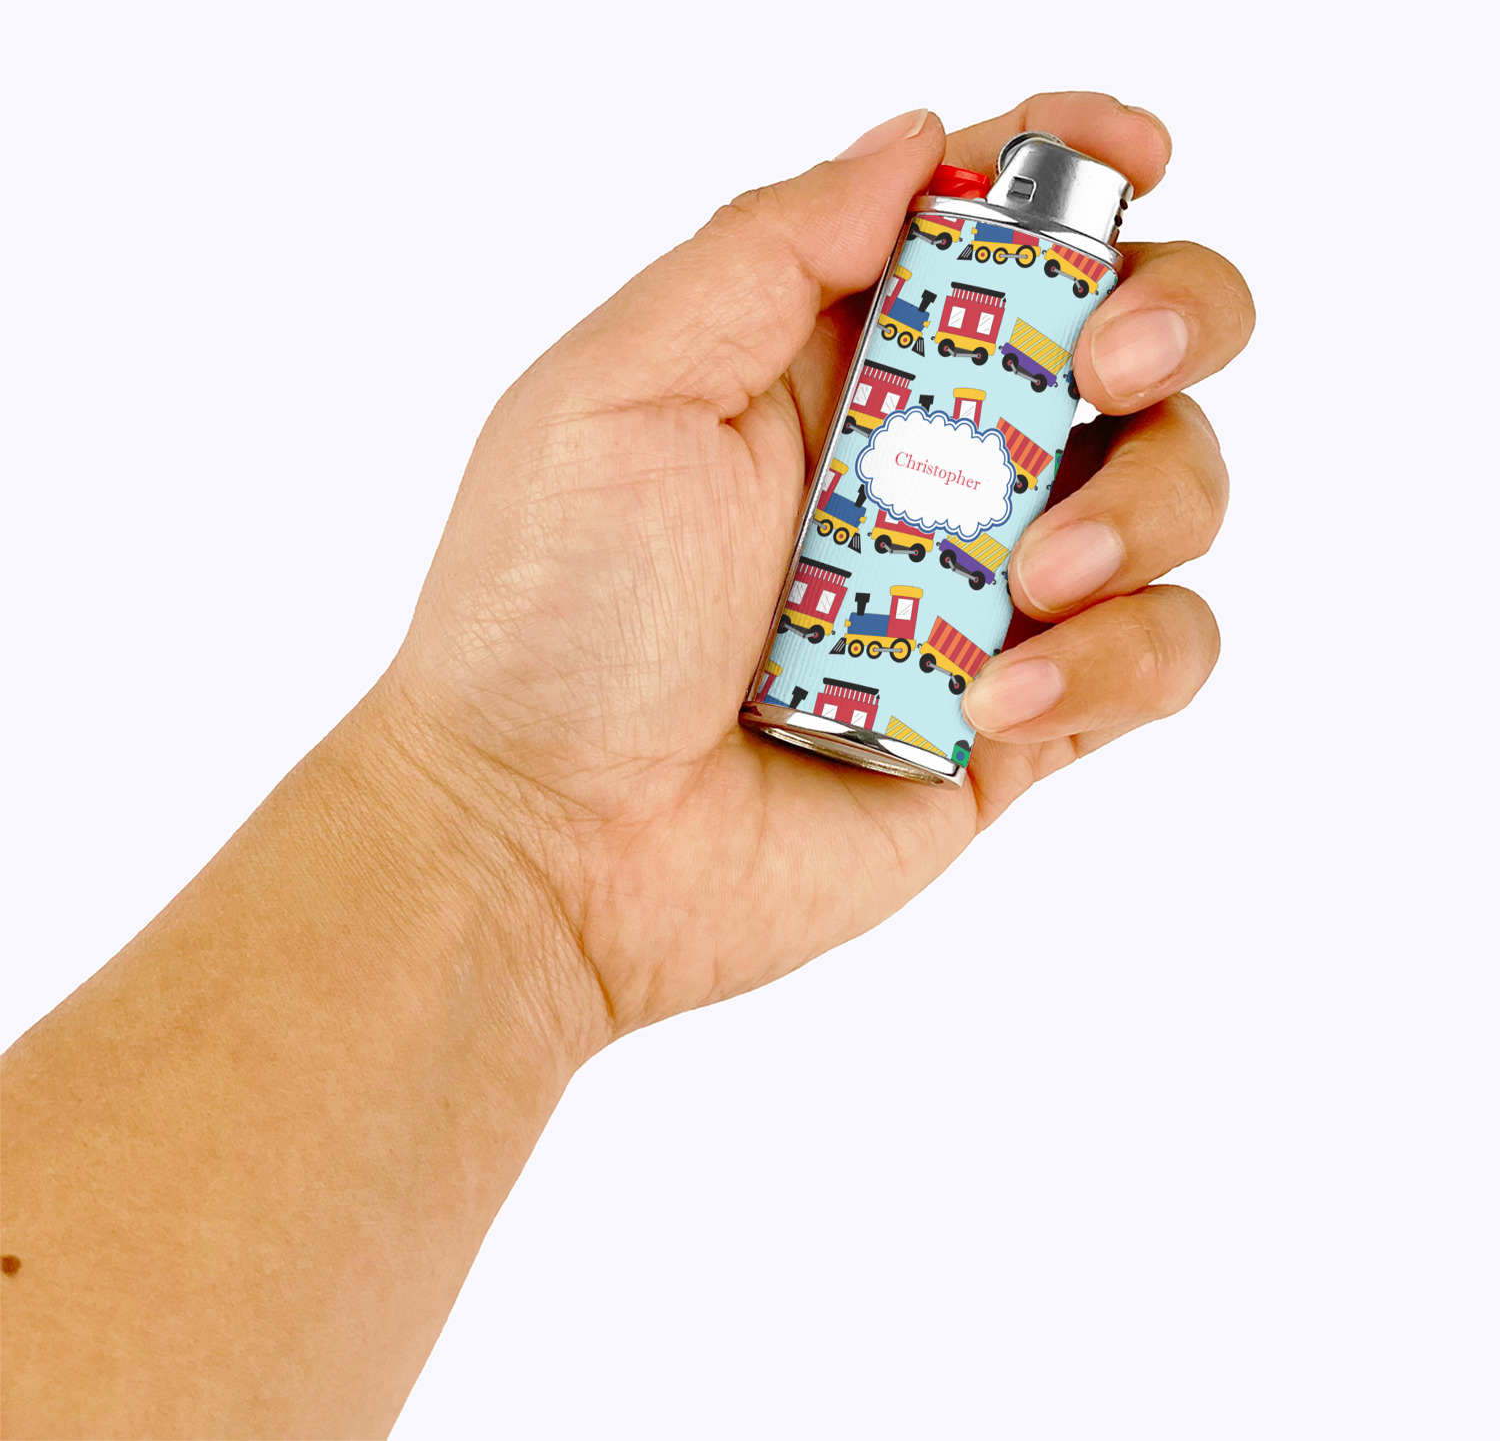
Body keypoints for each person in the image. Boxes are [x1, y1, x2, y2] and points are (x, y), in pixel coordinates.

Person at [0, 94, 1252, 1439]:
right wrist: (501, 813)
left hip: (876, 707)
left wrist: (511, 844)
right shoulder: (945, 252)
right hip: (812, 687)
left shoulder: (1027, 285)